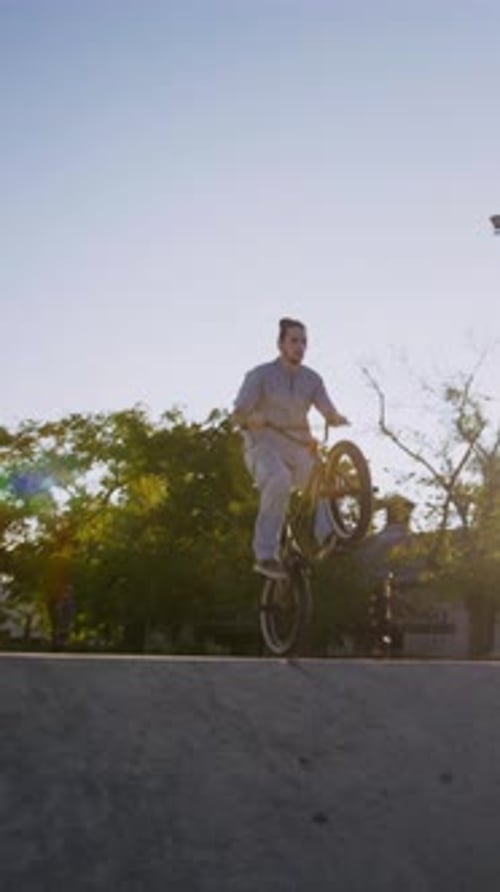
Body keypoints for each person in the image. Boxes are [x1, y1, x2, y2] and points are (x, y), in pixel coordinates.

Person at [232, 317, 348, 579]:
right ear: (281, 344)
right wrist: (251, 419)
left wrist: (334, 417)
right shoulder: (259, 375)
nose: (300, 347)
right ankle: (265, 555)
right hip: (264, 448)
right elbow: (236, 415)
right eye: (294, 341)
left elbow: (326, 406)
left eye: (304, 342)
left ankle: (327, 535)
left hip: (298, 449)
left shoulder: (312, 379)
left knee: (328, 480)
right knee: (280, 480)